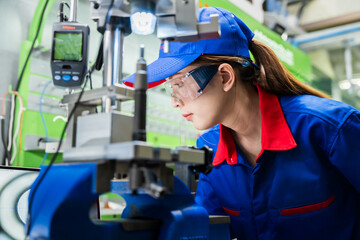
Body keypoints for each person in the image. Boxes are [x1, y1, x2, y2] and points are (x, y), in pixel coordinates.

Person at [124, 6, 360, 240]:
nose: (175, 102)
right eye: (170, 88)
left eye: (179, 85)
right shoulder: (209, 148)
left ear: (225, 76)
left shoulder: (330, 129)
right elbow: (208, 232)